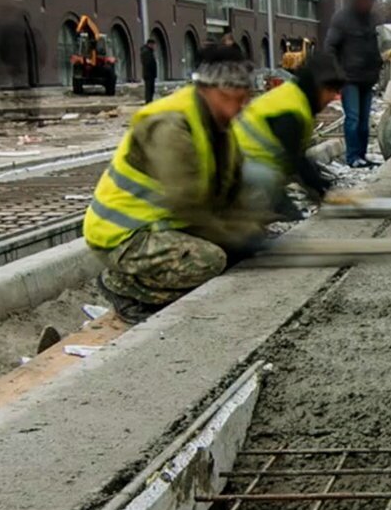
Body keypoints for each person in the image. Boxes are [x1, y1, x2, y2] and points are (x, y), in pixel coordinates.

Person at [84, 43, 264, 321]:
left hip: (160, 226)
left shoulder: (219, 125)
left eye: (244, 99)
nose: (239, 108)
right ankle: (122, 287)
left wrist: (252, 230)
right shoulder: (171, 124)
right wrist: (236, 238)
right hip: (122, 235)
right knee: (209, 261)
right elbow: (187, 204)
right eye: (233, 98)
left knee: (238, 251)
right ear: (210, 90)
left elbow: (231, 190)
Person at [237, 48, 345, 221]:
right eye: (331, 90)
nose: (333, 97)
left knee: (290, 214)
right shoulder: (291, 110)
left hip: (255, 166)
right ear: (317, 87)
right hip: (243, 169)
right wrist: (324, 192)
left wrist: (324, 187)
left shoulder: (297, 98)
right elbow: (296, 161)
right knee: (274, 200)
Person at [324, 0, 383, 167]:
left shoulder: (371, 20)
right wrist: (337, 72)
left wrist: (377, 66)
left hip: (367, 77)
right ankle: (352, 157)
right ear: (357, 0)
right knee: (353, 118)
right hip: (349, 78)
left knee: (365, 121)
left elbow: (374, 47)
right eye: (365, 1)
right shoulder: (342, 19)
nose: (368, 4)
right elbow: (330, 47)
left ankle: (361, 155)